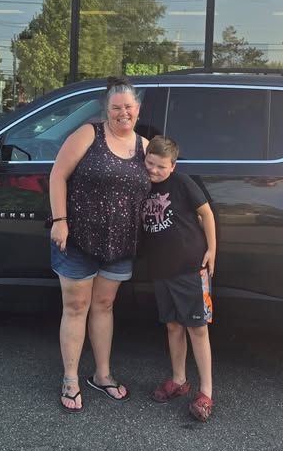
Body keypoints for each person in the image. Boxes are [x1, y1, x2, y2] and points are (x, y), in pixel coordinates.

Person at [48, 76, 151, 412]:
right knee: (76, 307)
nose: (123, 113)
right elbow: (58, 175)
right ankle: (71, 378)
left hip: (119, 245)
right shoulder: (88, 134)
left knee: (104, 306)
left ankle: (102, 374)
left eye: (128, 107)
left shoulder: (146, 147)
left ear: (138, 109)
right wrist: (60, 221)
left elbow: (165, 186)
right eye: (116, 107)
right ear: (106, 110)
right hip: (78, 238)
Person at [141, 135, 217, 422]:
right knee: (173, 326)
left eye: (161, 166)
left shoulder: (182, 183)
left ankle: (206, 392)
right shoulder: (142, 184)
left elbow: (206, 214)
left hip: (190, 268)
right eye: (150, 163)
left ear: (172, 166)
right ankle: (179, 379)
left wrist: (212, 249)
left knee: (197, 328)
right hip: (161, 270)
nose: (154, 170)